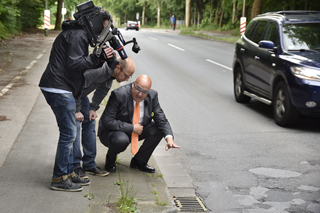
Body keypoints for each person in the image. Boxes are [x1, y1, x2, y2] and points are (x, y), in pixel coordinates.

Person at [39, 9, 113, 192]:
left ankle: (69, 172)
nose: (101, 34)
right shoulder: (78, 35)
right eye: (101, 29)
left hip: (61, 86)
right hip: (58, 86)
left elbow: (78, 64)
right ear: (94, 23)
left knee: (70, 133)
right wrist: (97, 58)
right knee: (69, 134)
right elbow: (75, 65)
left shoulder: (78, 33)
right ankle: (59, 178)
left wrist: (98, 59)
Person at [98, 75, 180, 173]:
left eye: (144, 92)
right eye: (138, 89)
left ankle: (139, 161)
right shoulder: (118, 94)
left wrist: (169, 138)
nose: (140, 94)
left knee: (158, 129)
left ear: (148, 91)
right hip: (115, 131)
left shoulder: (153, 96)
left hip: (138, 129)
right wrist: (132, 128)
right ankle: (110, 160)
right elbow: (107, 121)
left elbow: (161, 119)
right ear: (133, 84)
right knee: (121, 140)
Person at [73, 56, 135, 178]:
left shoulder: (110, 75)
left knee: (90, 121)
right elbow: (77, 86)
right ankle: (75, 166)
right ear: (118, 68)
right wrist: (77, 110)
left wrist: (93, 108)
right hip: (71, 93)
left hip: (81, 95)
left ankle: (89, 164)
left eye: (129, 77)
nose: (126, 79)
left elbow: (103, 90)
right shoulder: (100, 70)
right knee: (75, 126)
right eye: (126, 75)